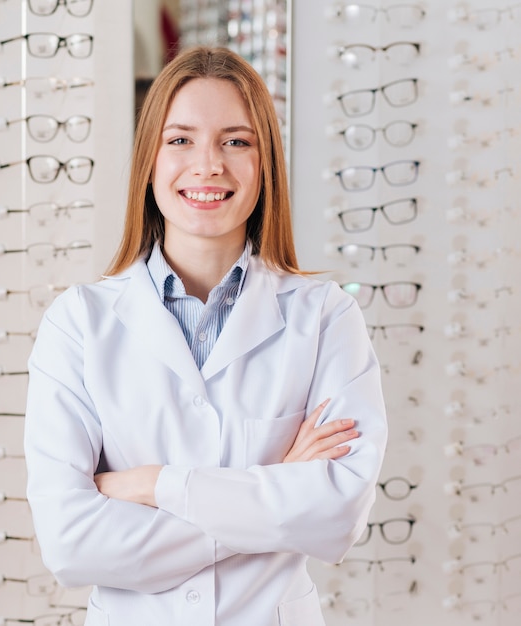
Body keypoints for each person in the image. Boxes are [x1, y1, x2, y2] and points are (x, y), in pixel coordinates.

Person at [24, 46, 387, 626]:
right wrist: (275, 493)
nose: (209, 165)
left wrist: (151, 485)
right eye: (181, 140)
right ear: (149, 160)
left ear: (265, 163)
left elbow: (336, 515)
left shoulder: (324, 317)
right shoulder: (79, 323)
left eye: (236, 141)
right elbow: (70, 544)